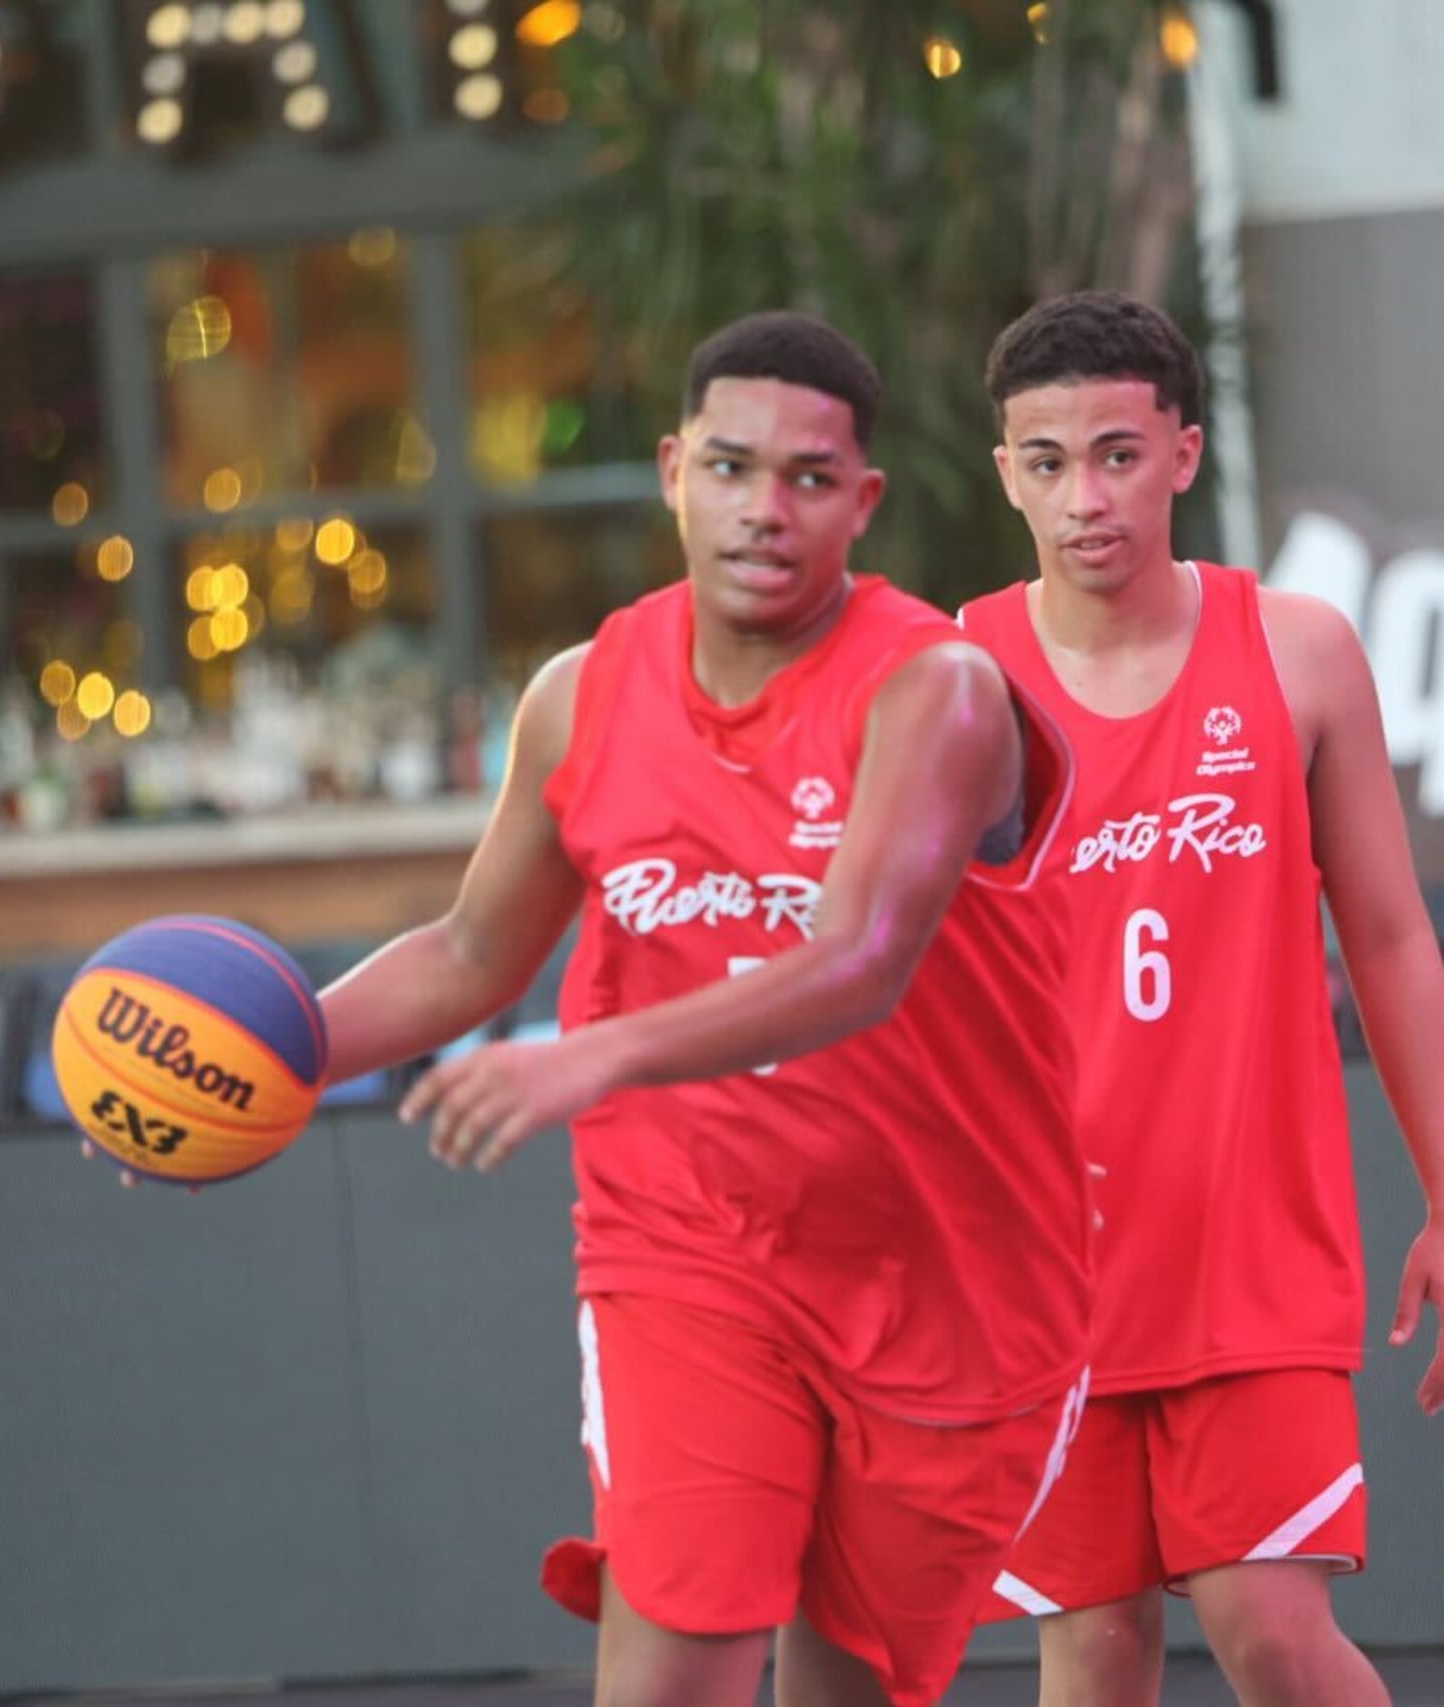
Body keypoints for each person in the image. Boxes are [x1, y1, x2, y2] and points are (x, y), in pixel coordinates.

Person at [312, 312, 1086, 1707]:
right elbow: (472, 951)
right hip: (689, 1245)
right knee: (674, 1667)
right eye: (731, 467)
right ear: (675, 472)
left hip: (951, 1274)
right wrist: (258, 1065)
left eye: (807, 478)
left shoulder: (940, 692)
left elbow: (859, 959)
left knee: (846, 1689)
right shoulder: (580, 697)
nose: (763, 508)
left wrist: (591, 1055)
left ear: (863, 501)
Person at [956, 291, 1444, 1707]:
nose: (1087, 497)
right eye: (1049, 461)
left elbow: (1389, 935)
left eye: (1119, 455)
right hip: (1038, 1276)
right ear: (1006, 473)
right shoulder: (949, 684)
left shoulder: (1298, 649)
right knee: (1093, 1648)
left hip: (1253, 1255)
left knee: (1273, 1630)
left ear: (1184, 453)